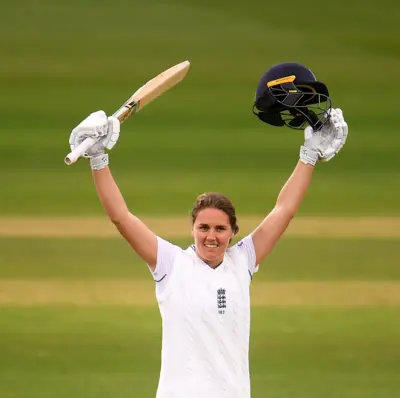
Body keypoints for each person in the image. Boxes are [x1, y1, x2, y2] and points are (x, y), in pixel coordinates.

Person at [67, 62, 348, 398]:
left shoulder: (242, 261)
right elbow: (121, 218)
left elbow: (283, 211)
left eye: (219, 228)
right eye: (203, 227)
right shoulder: (170, 265)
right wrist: (98, 160)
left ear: (232, 232)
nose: (211, 235)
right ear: (192, 228)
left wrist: (310, 155)